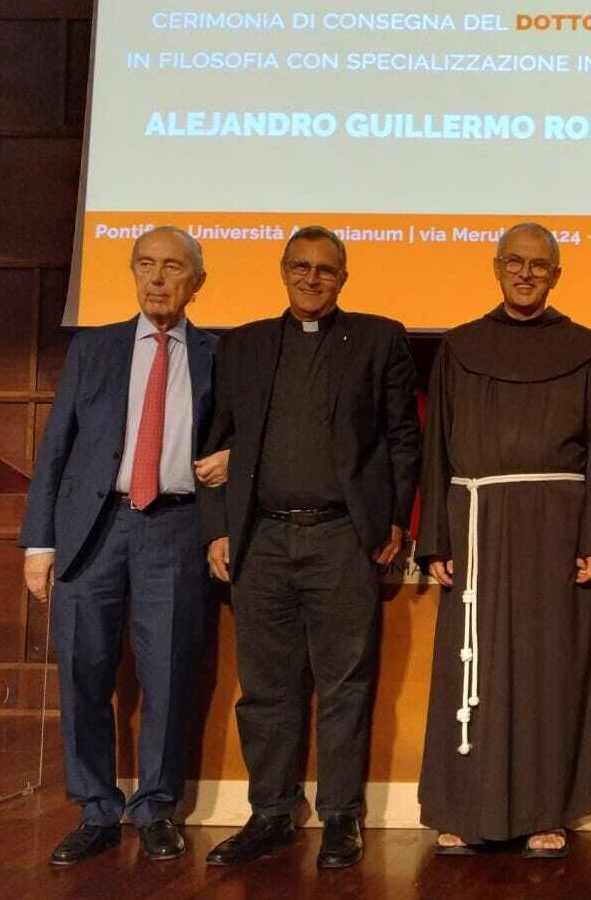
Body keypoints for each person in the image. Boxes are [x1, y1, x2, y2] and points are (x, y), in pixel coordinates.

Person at [197, 225, 422, 869]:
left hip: (342, 539)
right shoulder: (242, 345)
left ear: (344, 277)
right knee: (265, 687)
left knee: (345, 684)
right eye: (300, 266)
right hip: (260, 538)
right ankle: (270, 812)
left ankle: (342, 817)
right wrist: (218, 526)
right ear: (283, 270)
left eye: (326, 269)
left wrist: (395, 520)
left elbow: (402, 436)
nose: (312, 278)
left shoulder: (378, 338)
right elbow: (218, 443)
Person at [415, 223, 591, 860]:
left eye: (540, 265)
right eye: (515, 262)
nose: (527, 274)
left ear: (556, 274)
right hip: (476, 520)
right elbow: (437, 450)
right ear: (497, 267)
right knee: (470, 660)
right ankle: (462, 805)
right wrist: (436, 536)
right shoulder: (458, 348)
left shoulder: (584, 351)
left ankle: (547, 809)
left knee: (551, 665)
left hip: (556, 527)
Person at [19, 226, 222, 865]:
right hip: (92, 528)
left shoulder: (221, 354)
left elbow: (248, 434)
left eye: (172, 267)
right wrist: (38, 543)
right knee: (82, 670)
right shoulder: (94, 348)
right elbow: (55, 448)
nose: (157, 279)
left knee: (168, 671)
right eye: (145, 266)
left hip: (177, 525)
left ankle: (157, 808)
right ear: (132, 273)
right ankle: (96, 809)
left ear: (197, 281)